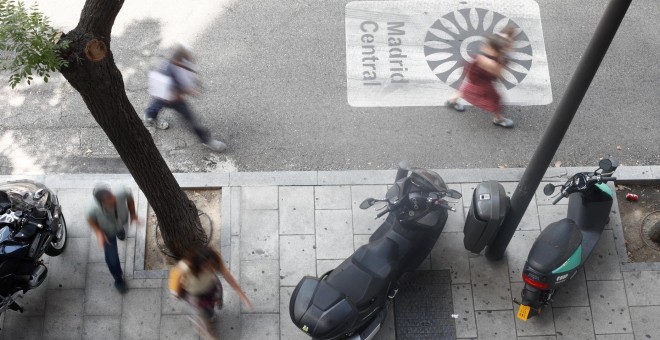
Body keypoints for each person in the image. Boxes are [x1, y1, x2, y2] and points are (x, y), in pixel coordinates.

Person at [145, 44, 228, 152]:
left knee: (158, 103)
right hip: (171, 97)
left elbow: (189, 72)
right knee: (188, 117)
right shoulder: (167, 73)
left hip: (169, 93)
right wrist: (189, 91)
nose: (187, 63)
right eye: (183, 62)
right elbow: (173, 96)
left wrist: (194, 81)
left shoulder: (181, 61)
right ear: (176, 61)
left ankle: (149, 115)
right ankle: (206, 140)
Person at [169, 246, 252, 339]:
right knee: (202, 316)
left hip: (211, 287)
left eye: (212, 265)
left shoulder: (213, 259)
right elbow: (174, 284)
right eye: (207, 266)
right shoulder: (184, 268)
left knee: (211, 307)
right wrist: (175, 293)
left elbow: (228, 277)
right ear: (197, 264)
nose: (212, 268)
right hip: (196, 295)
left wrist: (242, 296)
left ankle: (210, 316)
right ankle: (206, 332)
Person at [445, 33, 514, 128]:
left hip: (475, 77)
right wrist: (503, 63)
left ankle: (451, 101)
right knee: (495, 99)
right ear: (496, 51)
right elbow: (499, 74)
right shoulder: (491, 63)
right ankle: (498, 119)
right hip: (483, 83)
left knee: (466, 88)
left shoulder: (481, 56)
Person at [87, 185, 138, 293]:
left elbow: (129, 197)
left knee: (121, 230)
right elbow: (91, 220)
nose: (113, 199)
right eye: (109, 200)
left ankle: (120, 232)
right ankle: (118, 278)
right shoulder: (92, 209)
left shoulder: (120, 191)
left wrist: (133, 214)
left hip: (121, 222)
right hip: (107, 231)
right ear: (101, 203)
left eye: (112, 196)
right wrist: (99, 233)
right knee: (112, 258)